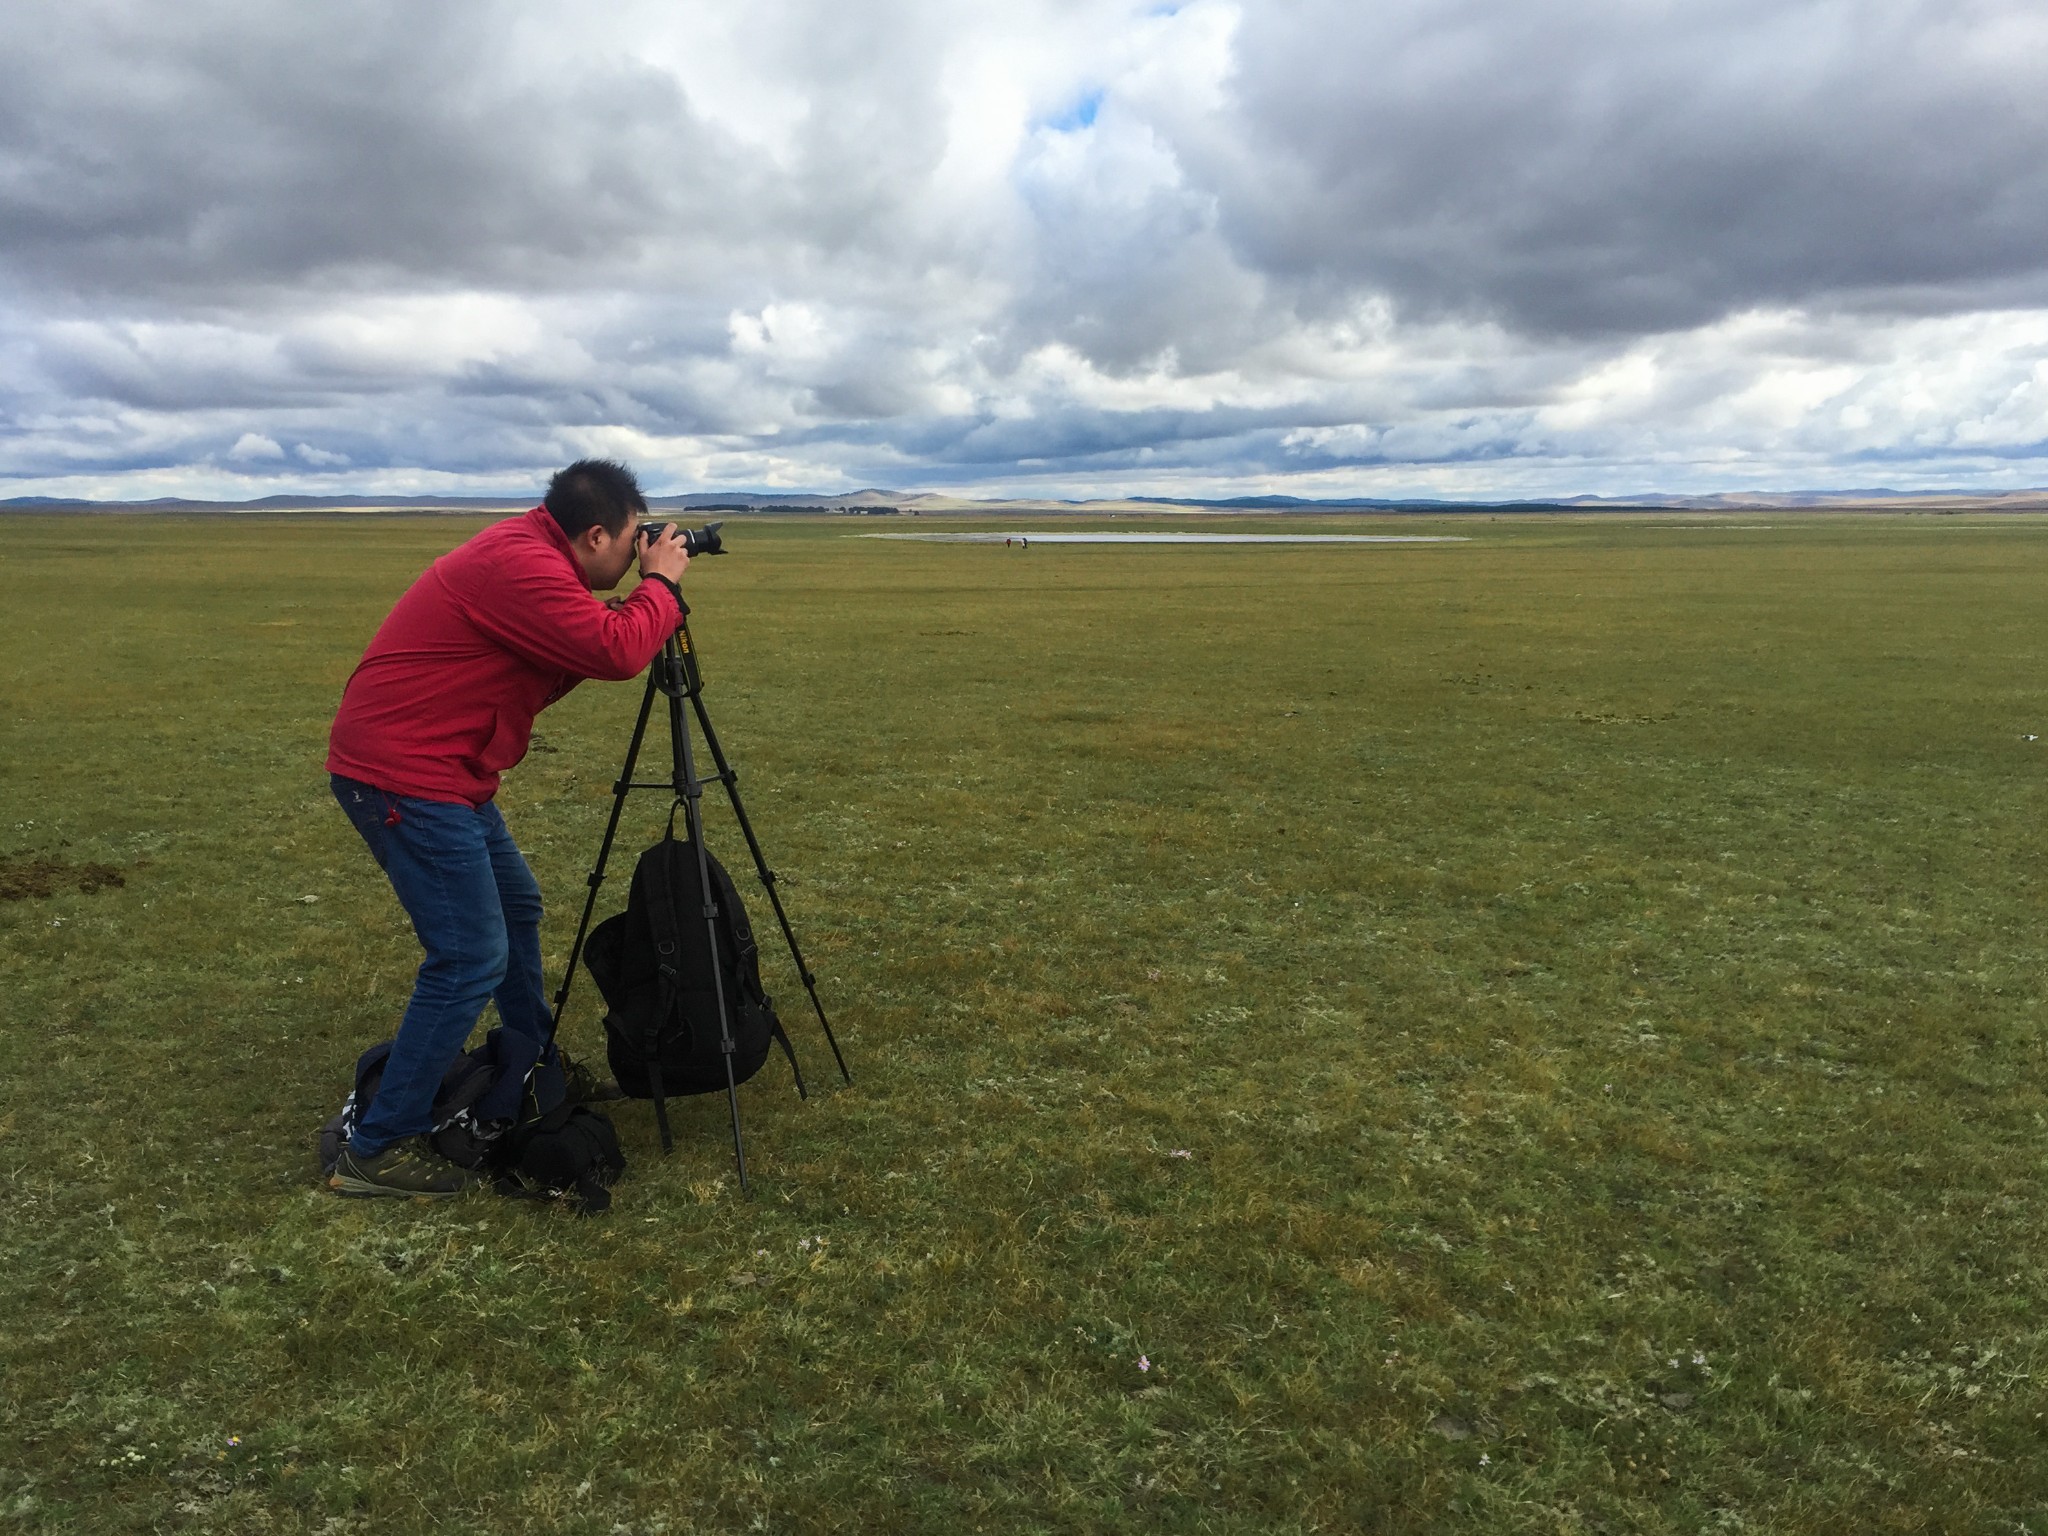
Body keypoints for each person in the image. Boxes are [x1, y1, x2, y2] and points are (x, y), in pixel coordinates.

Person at [324, 459, 691, 1197]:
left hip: (443, 773)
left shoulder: (534, 555)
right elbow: (615, 651)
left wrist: (642, 592)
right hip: (405, 775)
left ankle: (536, 1064)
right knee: (468, 958)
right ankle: (372, 1150)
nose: (633, 557)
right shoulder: (520, 565)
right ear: (593, 535)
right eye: (630, 543)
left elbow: (586, 641)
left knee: (516, 908)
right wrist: (663, 589)